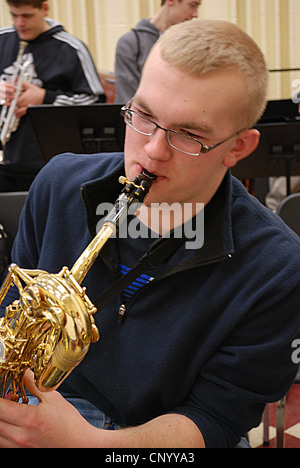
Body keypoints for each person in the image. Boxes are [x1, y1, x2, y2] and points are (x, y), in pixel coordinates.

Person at [0, 19, 300, 449]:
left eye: (189, 134)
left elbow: (215, 418)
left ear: (239, 147)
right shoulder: (58, 183)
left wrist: (86, 444)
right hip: (52, 402)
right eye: (143, 116)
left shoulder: (280, 268)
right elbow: (13, 319)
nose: (153, 152)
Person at [0, 0, 105, 192]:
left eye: (27, 16)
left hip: (45, 163)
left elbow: (94, 100)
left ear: (45, 9)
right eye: (14, 15)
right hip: (5, 161)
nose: (19, 23)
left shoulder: (71, 47)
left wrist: (45, 98)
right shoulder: (2, 39)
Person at [114, 0, 201, 103]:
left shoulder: (188, 43)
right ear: (170, 1)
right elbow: (126, 97)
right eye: (192, 5)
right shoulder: (131, 42)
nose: (196, 14)